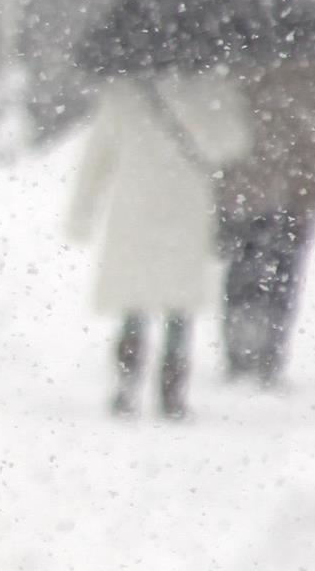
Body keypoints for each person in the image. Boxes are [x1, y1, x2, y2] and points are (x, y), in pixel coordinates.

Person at [67, 71, 250, 417]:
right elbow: (233, 143)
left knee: (135, 302)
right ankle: (172, 390)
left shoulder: (123, 91)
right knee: (178, 309)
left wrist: (81, 214)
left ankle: (126, 383)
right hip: (187, 207)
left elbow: (97, 157)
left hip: (134, 208)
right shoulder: (207, 87)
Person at [216, 49, 315, 385]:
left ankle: (240, 346)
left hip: (245, 182)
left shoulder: (242, 56)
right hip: (301, 185)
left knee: (242, 265)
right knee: (284, 269)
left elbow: (217, 113)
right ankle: (270, 350)